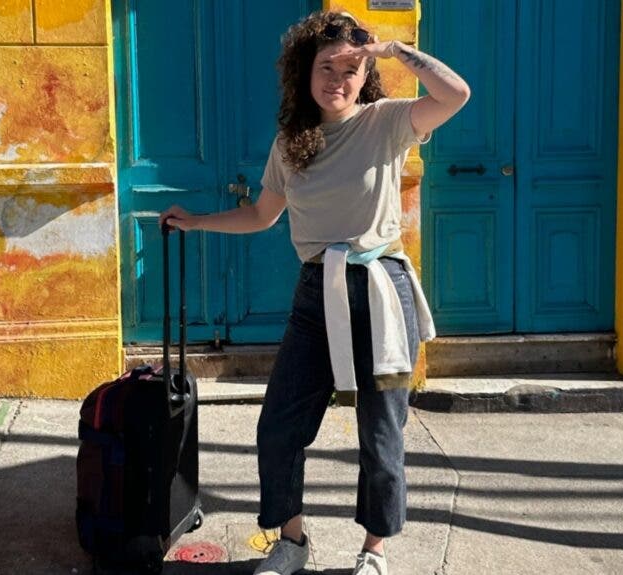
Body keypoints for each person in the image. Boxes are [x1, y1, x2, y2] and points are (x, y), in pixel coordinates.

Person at [159, 10, 469, 575]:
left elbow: (456, 93)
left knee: (381, 434)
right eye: (327, 66)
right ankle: (293, 541)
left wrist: (395, 51)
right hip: (315, 295)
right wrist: (197, 222)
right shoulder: (290, 144)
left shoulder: (387, 121)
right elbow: (259, 215)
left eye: (350, 69)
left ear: (364, 75)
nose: (338, 79)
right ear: (305, 71)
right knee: (278, 425)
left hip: (380, 290)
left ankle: (374, 552)